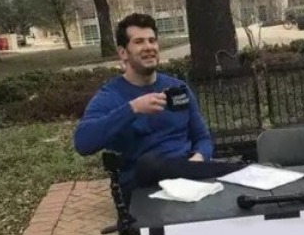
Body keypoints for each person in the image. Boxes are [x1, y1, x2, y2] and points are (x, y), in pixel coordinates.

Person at [73, 13, 243, 203]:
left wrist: (197, 160)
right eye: (139, 42)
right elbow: (83, 143)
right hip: (144, 188)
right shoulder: (110, 96)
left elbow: (202, 138)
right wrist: (133, 108)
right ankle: (238, 169)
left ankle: (240, 171)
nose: (149, 47)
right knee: (150, 163)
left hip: (189, 180)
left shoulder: (178, 89)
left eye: (152, 40)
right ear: (123, 53)